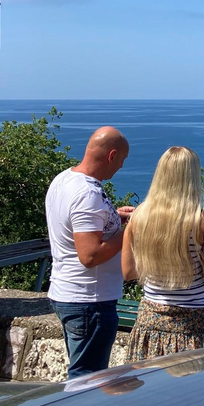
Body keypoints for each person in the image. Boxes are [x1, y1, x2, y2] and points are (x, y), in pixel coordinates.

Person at [122, 146, 204, 362]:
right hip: (195, 326)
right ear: (192, 177)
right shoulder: (203, 221)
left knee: (152, 391)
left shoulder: (139, 217)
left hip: (149, 322)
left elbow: (128, 272)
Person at [46, 126, 133, 379]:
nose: (121, 167)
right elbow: (90, 256)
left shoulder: (64, 179)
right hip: (89, 301)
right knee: (87, 380)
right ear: (112, 155)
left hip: (69, 294)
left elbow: (78, 226)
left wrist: (114, 217)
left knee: (83, 374)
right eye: (122, 160)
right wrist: (132, 231)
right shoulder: (87, 193)